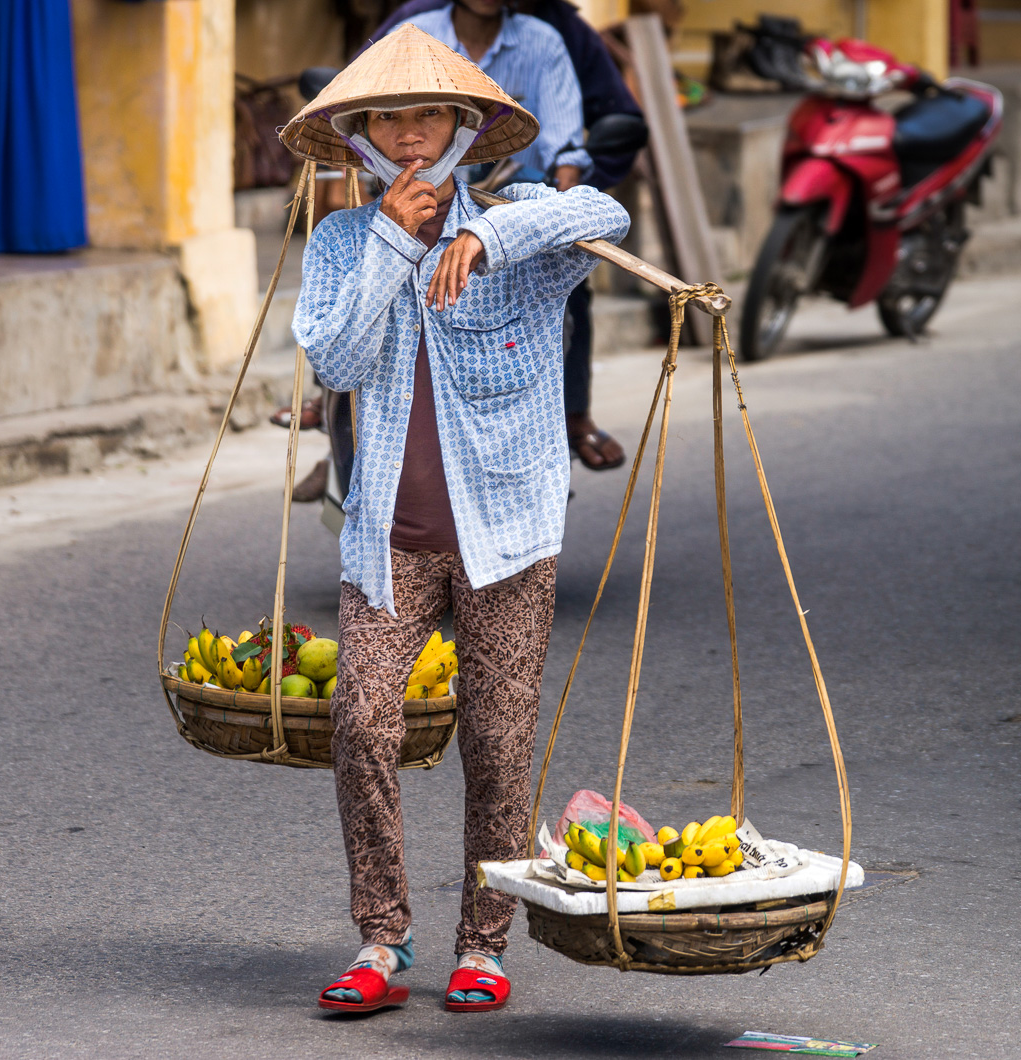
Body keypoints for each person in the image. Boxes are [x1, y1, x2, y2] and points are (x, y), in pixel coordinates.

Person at [282, 24, 629, 1014]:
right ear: (358, 133)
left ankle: (485, 942)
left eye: (426, 113)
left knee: (499, 739)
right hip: (388, 532)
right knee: (362, 718)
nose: (407, 133)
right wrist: (396, 238)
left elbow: (606, 211)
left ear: (464, 125)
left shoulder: (521, 226)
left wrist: (482, 234)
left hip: (508, 537)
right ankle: (381, 937)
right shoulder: (343, 241)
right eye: (385, 116)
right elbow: (337, 364)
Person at [368, 0, 642, 471]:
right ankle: (332, 416)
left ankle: (573, 413)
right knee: (359, 278)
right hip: (404, 196)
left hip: (513, 200)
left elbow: (567, 152)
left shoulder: (545, 38)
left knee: (570, 289)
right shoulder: (413, 28)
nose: (411, 131)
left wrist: (543, 217)